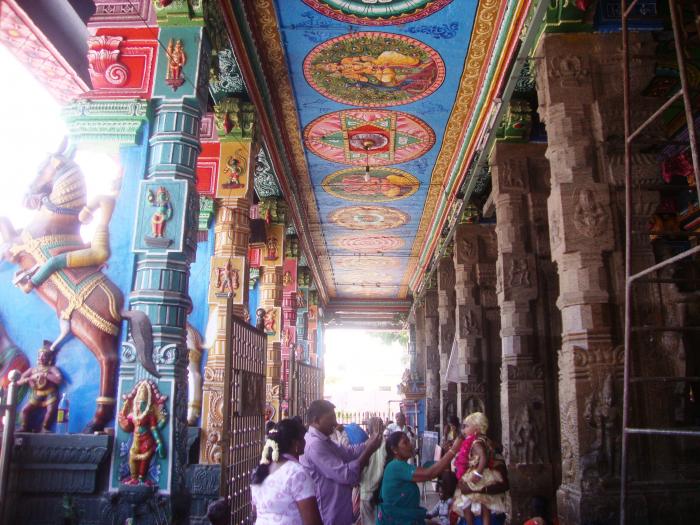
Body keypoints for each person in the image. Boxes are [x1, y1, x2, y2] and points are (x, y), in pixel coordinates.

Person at [300, 400, 383, 525]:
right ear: (316, 421)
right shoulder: (315, 445)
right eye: (331, 418)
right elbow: (346, 475)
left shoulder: (324, 440)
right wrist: (369, 450)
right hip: (328, 512)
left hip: (339, 510)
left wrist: (367, 444)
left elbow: (348, 453)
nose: (335, 423)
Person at [376, 431, 464, 524]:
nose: (410, 445)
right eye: (405, 442)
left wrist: (446, 453)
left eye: (409, 441)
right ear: (394, 450)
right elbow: (429, 474)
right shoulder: (395, 466)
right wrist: (454, 449)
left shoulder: (400, 466)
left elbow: (433, 471)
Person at [250, 418, 322, 525]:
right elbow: (312, 522)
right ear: (296, 443)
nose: (305, 441)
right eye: (303, 438)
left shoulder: (260, 469)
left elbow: (255, 511)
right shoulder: (296, 473)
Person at [452, 413, 507, 525]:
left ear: (476, 428)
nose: (464, 429)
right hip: (487, 475)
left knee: (466, 502)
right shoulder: (487, 441)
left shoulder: (477, 442)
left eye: (466, 426)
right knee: (485, 506)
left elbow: (483, 457)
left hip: (479, 474)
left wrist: (478, 473)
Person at [359, 417, 386, 525]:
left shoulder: (365, 445)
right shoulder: (385, 444)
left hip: (367, 491)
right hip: (378, 491)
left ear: (368, 430)